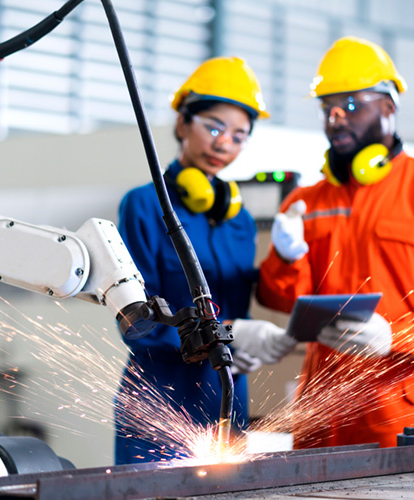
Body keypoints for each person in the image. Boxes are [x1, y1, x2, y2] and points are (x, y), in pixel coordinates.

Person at [257, 37, 414, 449]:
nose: (335, 119)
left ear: (389, 106)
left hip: (405, 413)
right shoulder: (305, 203)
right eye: (326, 107)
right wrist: (285, 256)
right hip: (322, 412)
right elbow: (280, 299)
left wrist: (396, 337)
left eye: (350, 105)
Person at [114, 57, 297, 464]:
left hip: (225, 401)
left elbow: (239, 309)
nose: (223, 144)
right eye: (213, 127)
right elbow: (135, 323)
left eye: (238, 136)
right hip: (158, 404)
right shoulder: (144, 205)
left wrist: (245, 341)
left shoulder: (240, 220)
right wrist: (224, 334)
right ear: (182, 124)